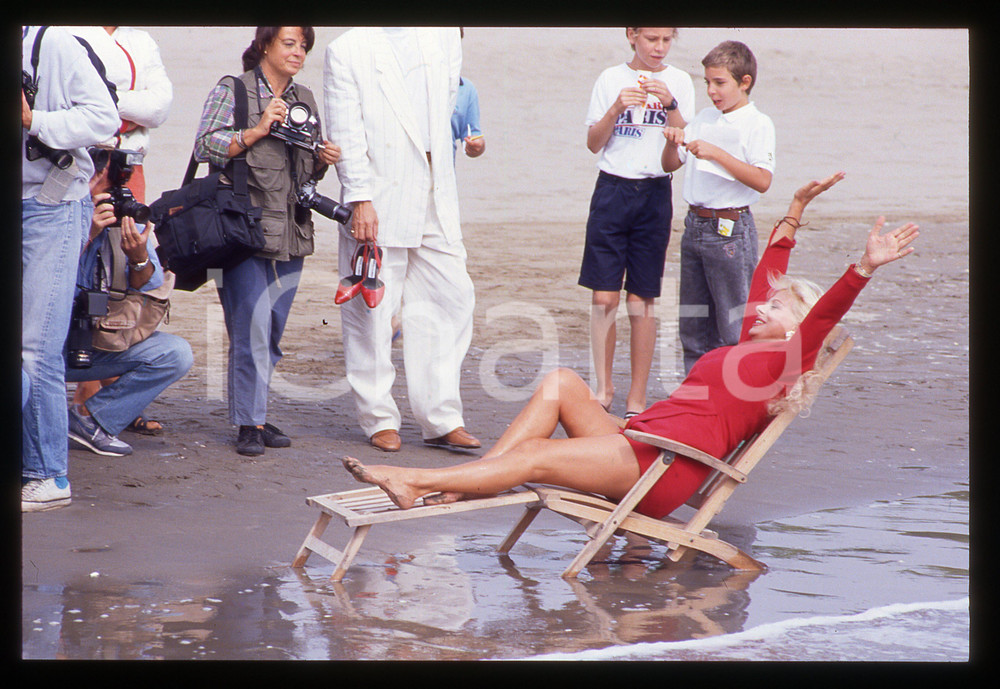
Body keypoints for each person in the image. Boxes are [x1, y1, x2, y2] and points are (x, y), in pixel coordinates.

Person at [341, 174, 919, 522]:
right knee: (563, 382)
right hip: (638, 444)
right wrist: (794, 210)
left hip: (663, 468)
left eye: (778, 307)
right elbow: (769, 269)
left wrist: (863, 266)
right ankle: (466, 483)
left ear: (797, 329)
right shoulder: (749, 351)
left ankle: (420, 481)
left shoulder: (781, 364)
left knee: (537, 457)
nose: (762, 305)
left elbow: (823, 318)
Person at [324, 27, 479, 453]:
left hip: (435, 187)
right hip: (380, 190)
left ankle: (441, 416)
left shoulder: (444, 34)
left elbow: (445, 110)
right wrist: (359, 197)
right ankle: (378, 417)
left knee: (452, 296)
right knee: (373, 310)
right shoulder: (347, 49)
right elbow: (345, 129)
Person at [194, 26, 341, 456]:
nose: (299, 52)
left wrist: (321, 160)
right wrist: (256, 130)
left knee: (271, 332)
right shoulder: (234, 89)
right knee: (251, 328)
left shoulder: (305, 99)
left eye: (304, 46)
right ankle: (249, 424)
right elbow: (205, 146)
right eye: (290, 43)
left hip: (290, 231)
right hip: (239, 229)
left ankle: (253, 413)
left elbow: (302, 175)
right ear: (264, 45)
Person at [22, 25, 120, 513]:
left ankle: (47, 474)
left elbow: (105, 118)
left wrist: (34, 118)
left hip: (51, 202)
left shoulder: (53, 42)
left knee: (36, 347)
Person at [580, 28, 696, 419]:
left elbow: (683, 149)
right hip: (612, 190)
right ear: (631, 36)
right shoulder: (610, 78)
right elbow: (594, 143)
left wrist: (672, 104)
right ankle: (602, 387)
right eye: (650, 39)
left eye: (666, 40)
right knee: (603, 297)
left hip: (654, 192)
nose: (658, 47)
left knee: (642, 300)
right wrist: (615, 109)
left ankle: (637, 397)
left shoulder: (679, 80)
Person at [67, 25, 174, 436]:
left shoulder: (141, 39)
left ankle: (106, 401)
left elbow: (160, 108)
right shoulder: (66, 29)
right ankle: (86, 396)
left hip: (128, 164)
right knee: (80, 250)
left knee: (128, 264)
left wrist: (104, 102)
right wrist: (126, 109)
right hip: (79, 159)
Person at [65, 147, 193, 459]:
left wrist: (138, 257)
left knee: (174, 353)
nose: (110, 198)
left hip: (95, 345)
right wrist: (88, 233)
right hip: (44, 348)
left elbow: (149, 284)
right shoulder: (57, 214)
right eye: (105, 187)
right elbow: (41, 274)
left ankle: (89, 422)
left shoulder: (125, 219)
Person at [660, 40, 776, 375]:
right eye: (707, 82)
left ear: (745, 82)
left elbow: (762, 180)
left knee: (733, 327)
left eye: (719, 83)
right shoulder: (703, 119)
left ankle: (736, 404)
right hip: (695, 226)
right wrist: (672, 143)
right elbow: (670, 164)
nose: (711, 91)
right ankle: (693, 404)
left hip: (730, 230)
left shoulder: (757, 123)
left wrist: (716, 154)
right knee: (693, 327)